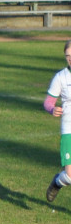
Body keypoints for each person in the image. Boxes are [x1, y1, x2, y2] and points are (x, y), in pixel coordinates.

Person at [43, 41, 71, 204]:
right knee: (70, 176)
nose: (70, 59)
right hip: (68, 129)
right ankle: (57, 182)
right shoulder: (61, 77)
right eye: (68, 56)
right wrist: (52, 109)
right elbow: (48, 102)